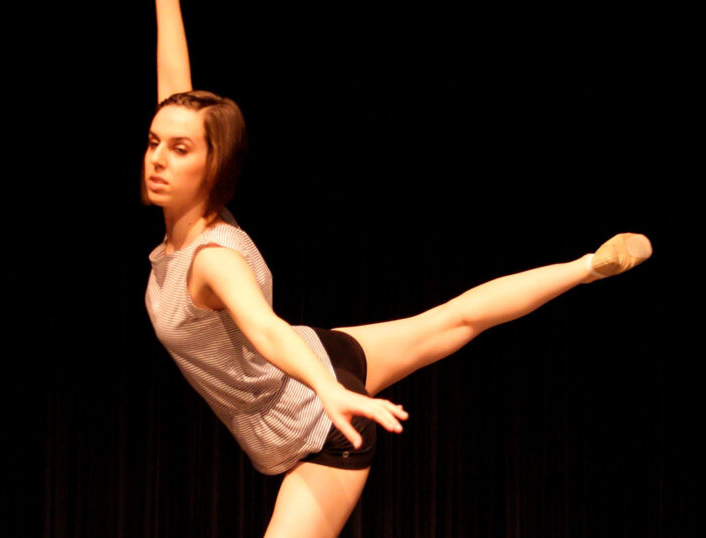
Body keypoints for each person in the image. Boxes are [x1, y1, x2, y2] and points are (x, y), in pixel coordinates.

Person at [141, 1, 652, 536]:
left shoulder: (212, 258)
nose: (157, 159)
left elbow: (265, 328)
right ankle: (588, 265)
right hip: (320, 355)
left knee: (453, 323)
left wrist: (330, 390)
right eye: (154, 142)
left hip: (323, 422)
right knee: (453, 320)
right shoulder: (189, 221)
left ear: (214, 163)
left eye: (179, 149)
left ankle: (587, 266)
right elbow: (177, 92)